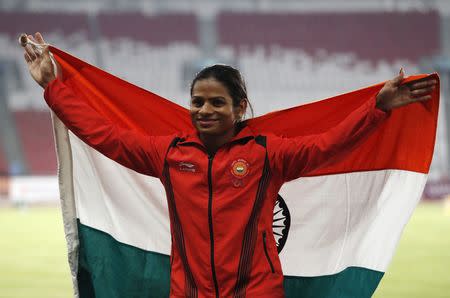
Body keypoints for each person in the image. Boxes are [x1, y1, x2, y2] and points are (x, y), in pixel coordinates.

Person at [23, 32, 437, 298]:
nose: (205, 110)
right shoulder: (169, 154)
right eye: (197, 102)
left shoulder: (266, 153)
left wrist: (377, 109)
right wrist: (53, 88)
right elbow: (103, 135)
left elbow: (330, 145)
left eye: (216, 102)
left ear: (239, 107)